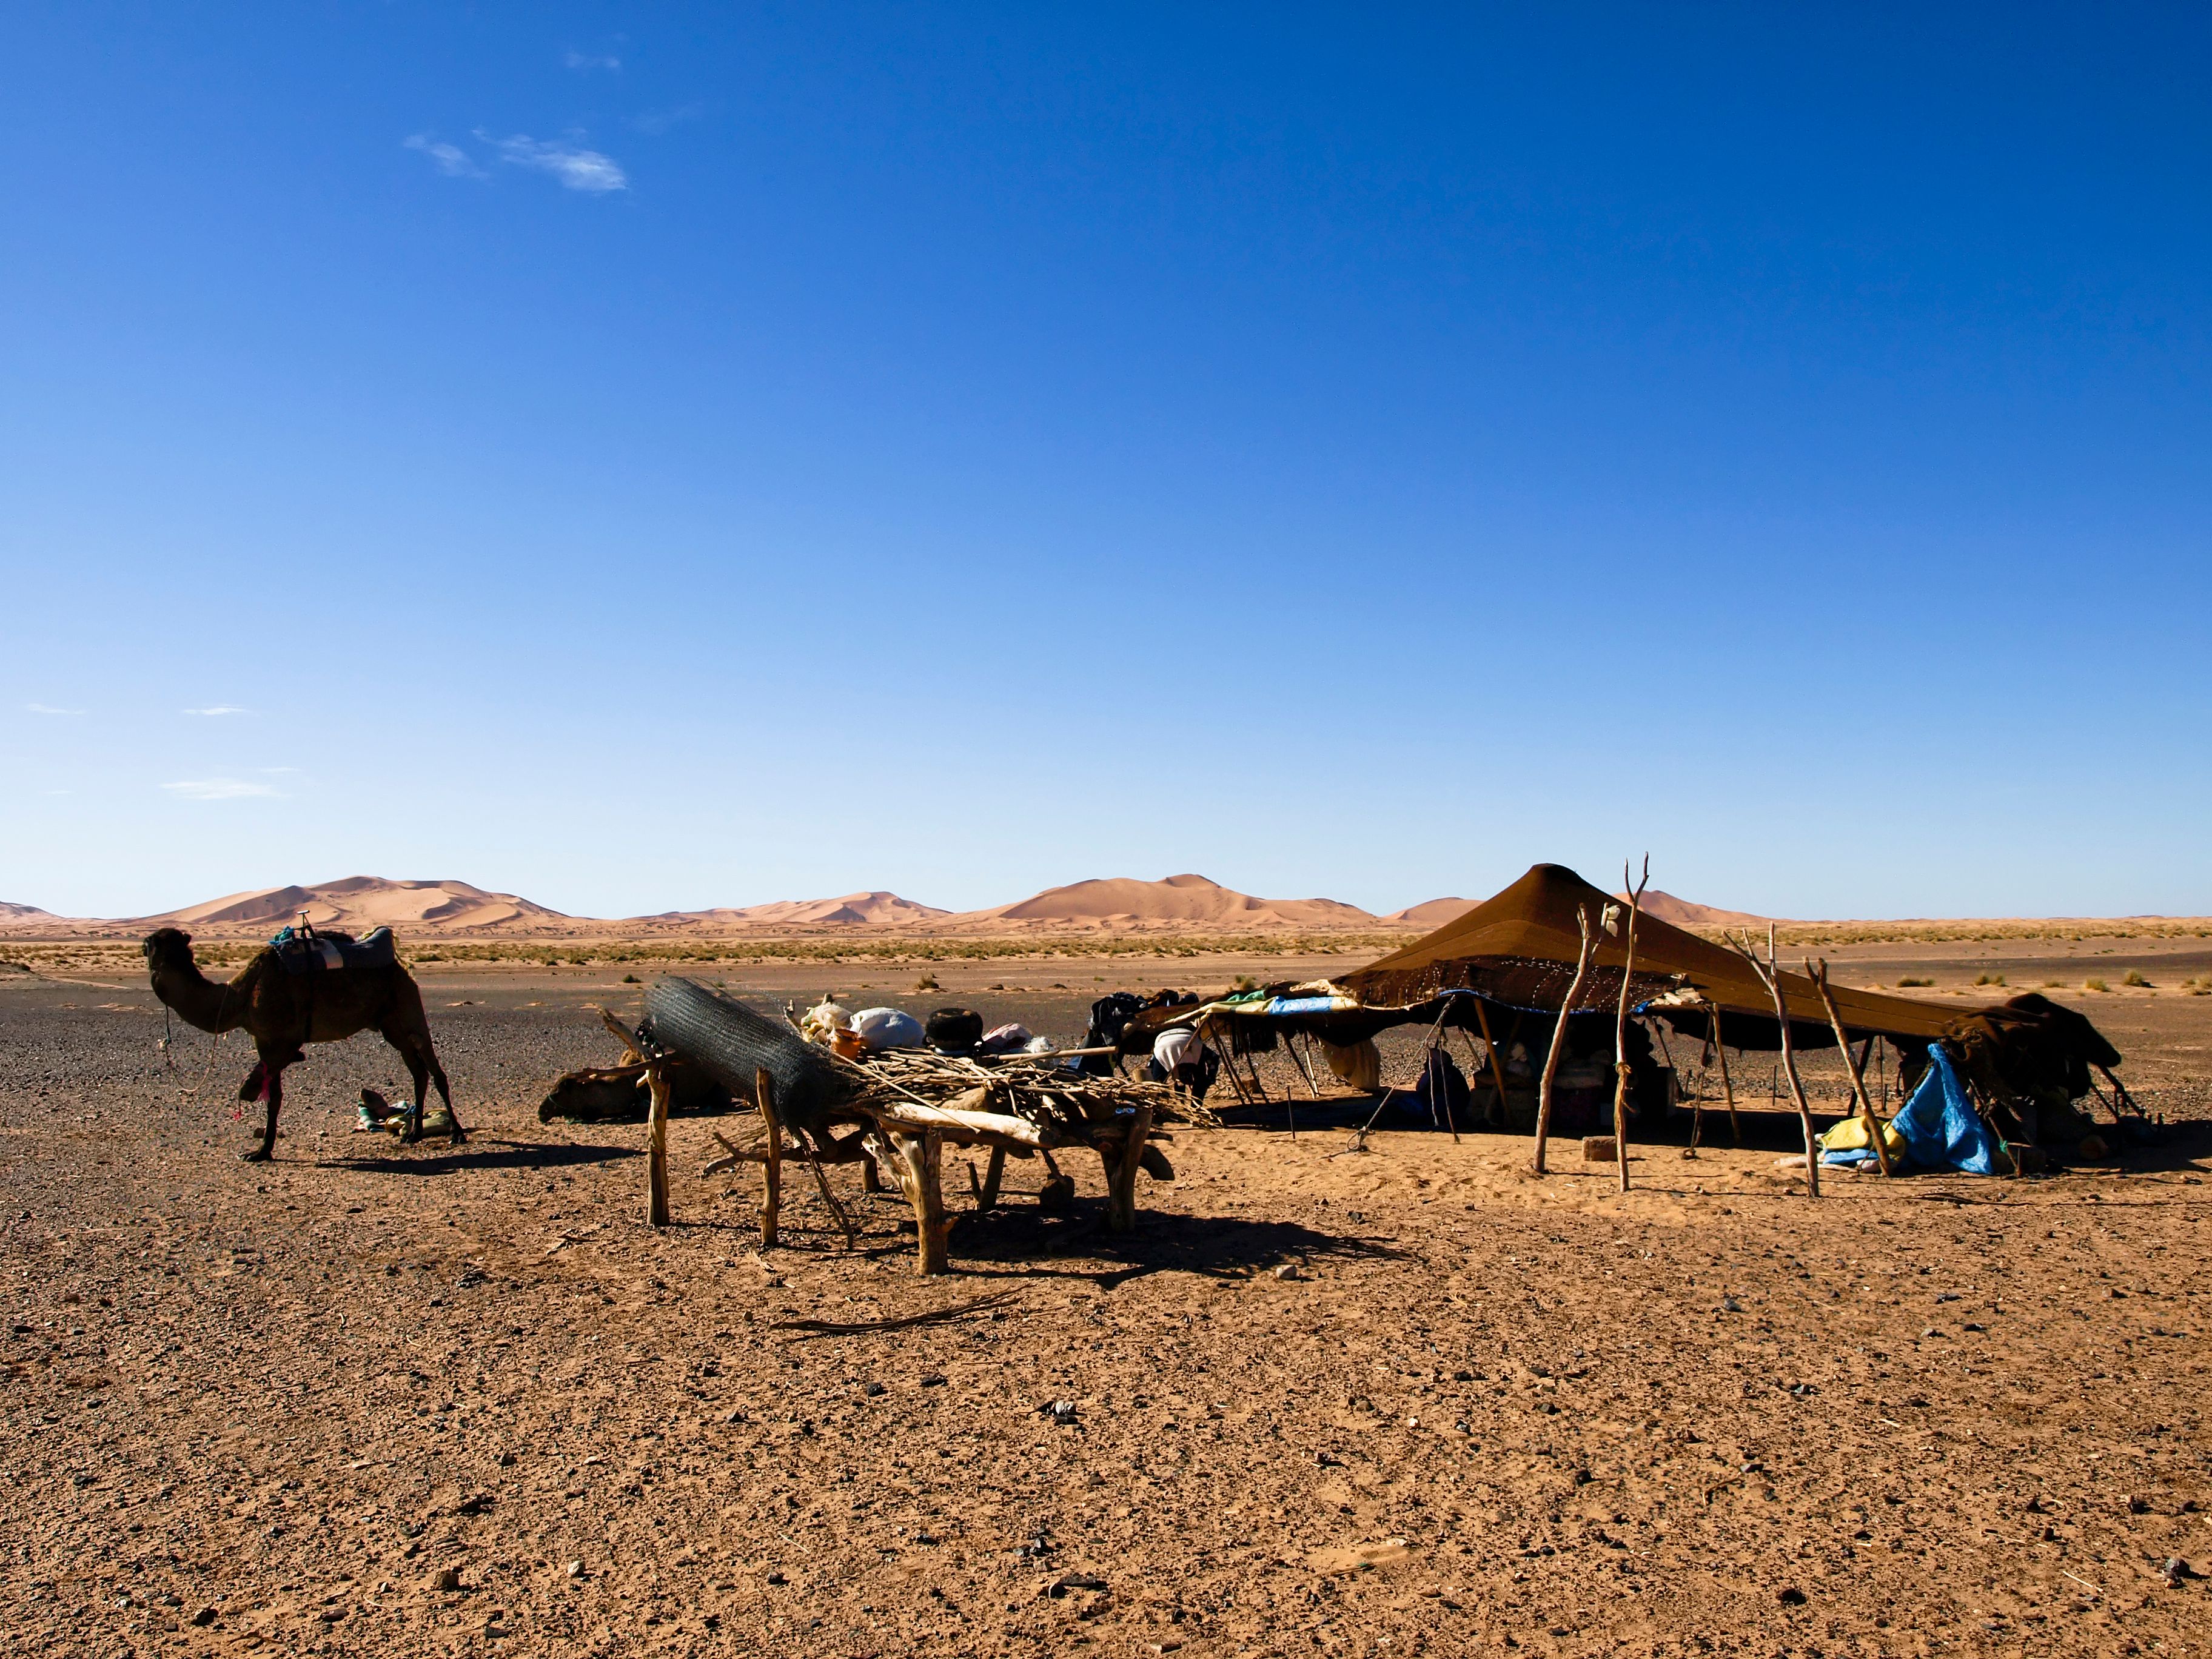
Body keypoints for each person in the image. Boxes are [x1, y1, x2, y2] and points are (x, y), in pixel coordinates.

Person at [1148, 1025, 1216, 1101]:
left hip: (1164, 1048)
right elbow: (1214, 1058)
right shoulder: (1198, 1045)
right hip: (1191, 1043)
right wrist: (1210, 1078)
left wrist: (1157, 1083)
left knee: (1157, 1083)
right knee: (1200, 1078)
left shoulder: (1158, 1050)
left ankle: (1159, 1105)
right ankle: (1197, 1106)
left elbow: (1150, 1068)